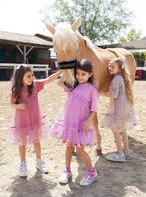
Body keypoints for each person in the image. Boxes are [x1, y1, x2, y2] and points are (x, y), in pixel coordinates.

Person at [49, 59, 98, 187]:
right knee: (69, 147)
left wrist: (88, 121)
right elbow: (60, 82)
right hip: (70, 122)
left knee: (80, 150)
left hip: (81, 124)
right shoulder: (73, 85)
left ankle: (92, 172)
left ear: (90, 74)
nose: (80, 77)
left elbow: (94, 109)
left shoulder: (92, 89)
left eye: (83, 74)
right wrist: (66, 70)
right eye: (78, 73)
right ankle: (67, 170)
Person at [6, 64, 62, 177]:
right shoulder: (16, 90)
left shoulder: (35, 86)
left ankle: (39, 161)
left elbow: (49, 79)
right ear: (20, 77)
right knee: (22, 143)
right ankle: (23, 164)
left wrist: (61, 72)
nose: (32, 78)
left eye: (32, 75)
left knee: (36, 141)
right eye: (28, 76)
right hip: (22, 121)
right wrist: (18, 106)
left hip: (35, 119)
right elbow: (12, 103)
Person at [99, 49, 137, 162]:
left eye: (112, 67)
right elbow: (121, 61)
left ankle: (120, 155)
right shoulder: (123, 76)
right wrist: (114, 52)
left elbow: (113, 95)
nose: (110, 68)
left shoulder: (116, 79)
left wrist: (100, 92)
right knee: (123, 129)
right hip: (125, 106)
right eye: (110, 66)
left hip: (119, 107)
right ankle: (127, 152)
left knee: (115, 130)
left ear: (119, 68)